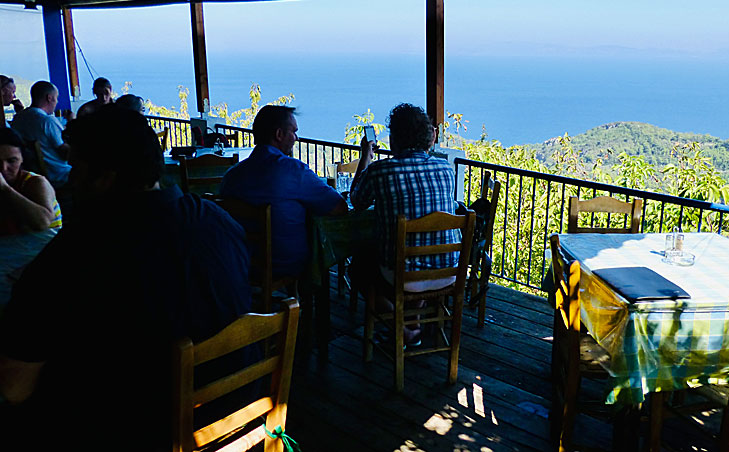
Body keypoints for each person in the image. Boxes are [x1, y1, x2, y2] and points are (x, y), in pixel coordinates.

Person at [0, 108, 253, 451]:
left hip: (135, 431)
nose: (71, 180)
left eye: (76, 167)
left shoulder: (72, 255)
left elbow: (14, 387)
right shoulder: (219, 221)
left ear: (106, 176)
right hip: (231, 415)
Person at [349, 104, 460, 343]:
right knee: (417, 250)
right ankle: (414, 322)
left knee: (357, 269)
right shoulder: (445, 168)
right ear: (427, 138)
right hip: (449, 272)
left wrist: (365, 156)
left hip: (405, 275)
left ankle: (401, 327)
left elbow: (357, 201)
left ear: (394, 137)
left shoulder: (382, 171)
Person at [220, 105, 347, 277]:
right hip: (285, 263)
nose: (296, 138)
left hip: (239, 260)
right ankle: (309, 301)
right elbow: (339, 207)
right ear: (279, 135)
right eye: (293, 132)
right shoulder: (293, 170)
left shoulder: (231, 176)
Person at [0, 127, 61, 236]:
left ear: (22, 158)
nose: (4, 168)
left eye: (11, 161)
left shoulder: (36, 182)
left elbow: (43, 223)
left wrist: (5, 188)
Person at [10, 81, 71, 187]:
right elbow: (66, 154)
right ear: (49, 98)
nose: (56, 102)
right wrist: (72, 124)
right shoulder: (47, 121)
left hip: (35, 175)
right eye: (56, 98)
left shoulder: (18, 118)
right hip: (59, 175)